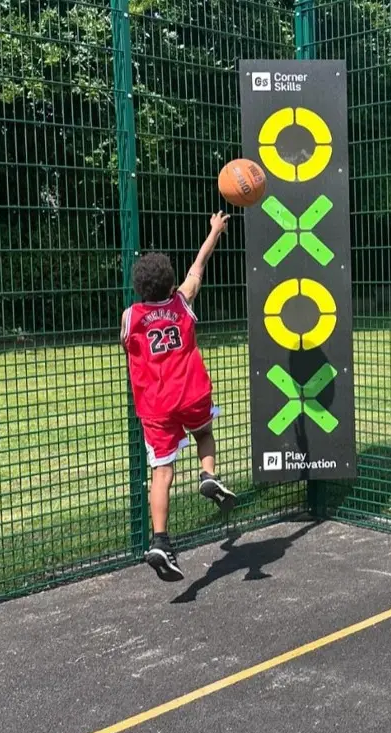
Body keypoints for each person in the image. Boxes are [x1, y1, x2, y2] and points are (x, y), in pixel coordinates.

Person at [120, 212, 237, 582]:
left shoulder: (130, 317)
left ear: (140, 288)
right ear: (171, 284)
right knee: (203, 433)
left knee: (162, 471)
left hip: (155, 406)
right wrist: (215, 232)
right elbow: (197, 269)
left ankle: (159, 539)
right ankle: (207, 474)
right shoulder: (182, 304)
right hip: (190, 392)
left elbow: (129, 341)